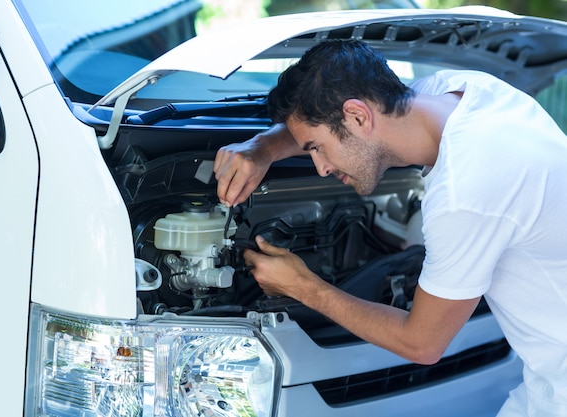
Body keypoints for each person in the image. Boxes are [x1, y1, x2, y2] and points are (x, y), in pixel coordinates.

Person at [213, 40, 567, 416]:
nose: (320, 168)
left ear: (360, 117)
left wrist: (302, 286)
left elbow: (422, 344)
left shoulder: (467, 189)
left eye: (317, 148)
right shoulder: (460, 90)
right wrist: (263, 147)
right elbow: (328, 119)